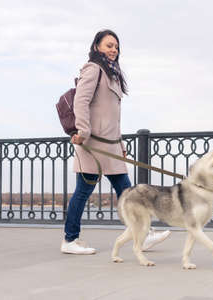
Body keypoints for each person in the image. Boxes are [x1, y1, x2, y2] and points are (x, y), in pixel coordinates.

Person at [61, 30, 170, 254]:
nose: (113, 50)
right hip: (92, 144)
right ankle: (70, 240)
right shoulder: (92, 69)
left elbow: (113, 117)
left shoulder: (112, 74)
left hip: (110, 144)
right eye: (109, 45)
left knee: (127, 193)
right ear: (96, 47)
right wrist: (83, 131)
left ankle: (144, 235)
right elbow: (81, 101)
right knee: (83, 192)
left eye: (116, 47)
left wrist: (120, 145)